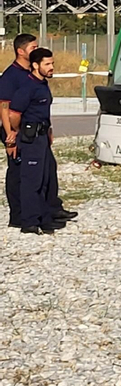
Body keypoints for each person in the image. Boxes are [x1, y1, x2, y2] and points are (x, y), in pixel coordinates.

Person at [7, 48, 59, 235]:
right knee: (31, 181)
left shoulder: (42, 84)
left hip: (43, 137)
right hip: (30, 138)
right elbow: (14, 114)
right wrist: (19, 132)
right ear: (35, 65)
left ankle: (44, 219)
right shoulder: (27, 87)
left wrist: (49, 131)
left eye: (52, 63)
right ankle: (29, 222)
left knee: (45, 179)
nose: (51, 67)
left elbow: (44, 112)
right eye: (47, 64)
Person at [0, 33, 38, 228]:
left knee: (36, 170)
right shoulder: (10, 76)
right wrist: (10, 137)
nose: (36, 50)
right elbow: (4, 107)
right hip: (13, 131)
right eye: (33, 48)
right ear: (20, 51)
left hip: (30, 130)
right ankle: (17, 216)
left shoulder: (32, 72)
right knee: (16, 173)